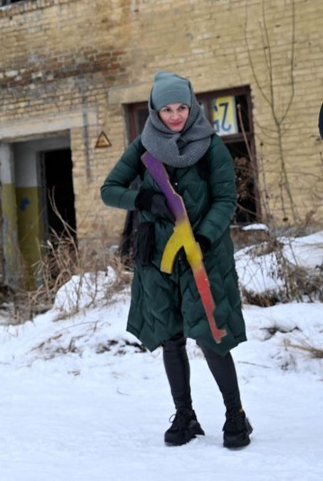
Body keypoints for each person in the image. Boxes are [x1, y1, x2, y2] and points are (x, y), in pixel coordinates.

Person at [101, 72, 252, 449]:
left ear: (192, 106)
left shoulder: (211, 146)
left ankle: (236, 415)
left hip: (204, 255)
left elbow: (225, 199)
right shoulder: (143, 146)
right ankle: (184, 415)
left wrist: (203, 235)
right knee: (171, 337)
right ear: (155, 109)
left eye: (181, 107)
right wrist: (143, 200)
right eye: (166, 109)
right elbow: (110, 190)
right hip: (158, 259)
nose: (174, 116)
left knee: (212, 336)